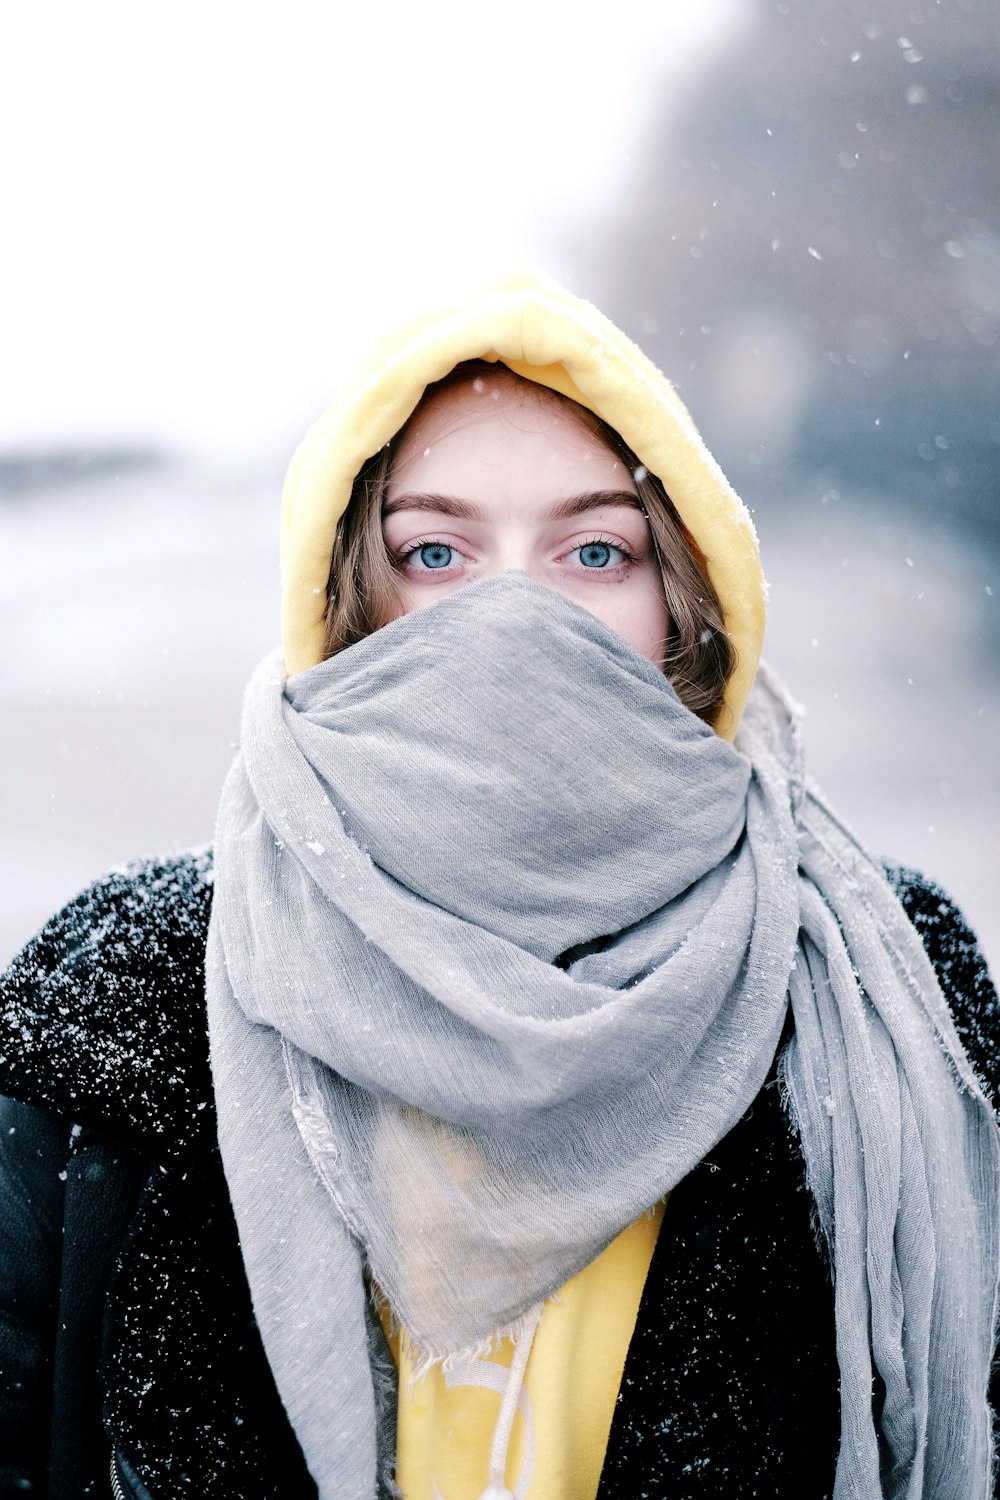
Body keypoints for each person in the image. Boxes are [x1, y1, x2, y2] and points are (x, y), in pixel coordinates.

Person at [1, 272, 997, 1500]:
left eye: (593, 549)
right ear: (345, 608)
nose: (517, 617)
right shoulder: (121, 985)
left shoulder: (875, 981)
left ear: (685, 607)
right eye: (434, 551)